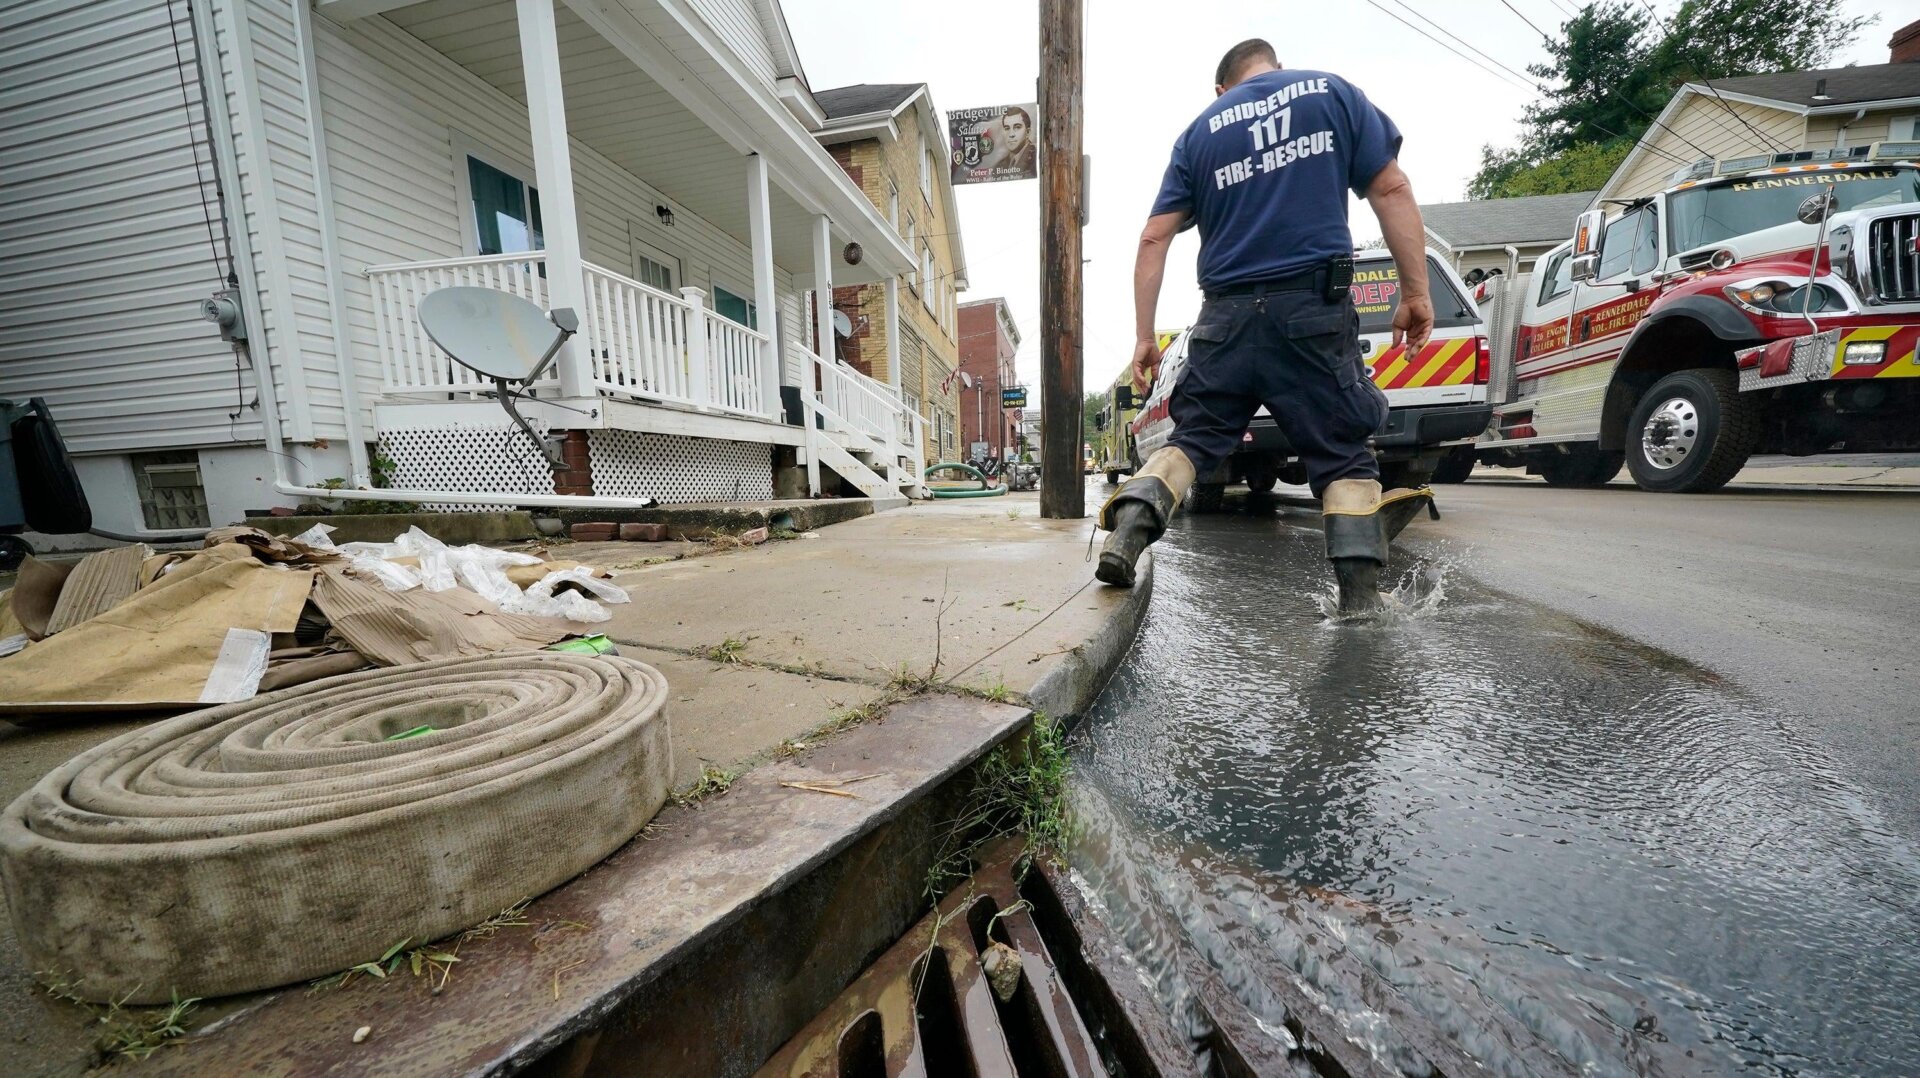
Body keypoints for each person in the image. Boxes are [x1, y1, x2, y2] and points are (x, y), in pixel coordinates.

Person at [1095, 39, 1436, 614]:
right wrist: (1416, 291)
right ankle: (1359, 602)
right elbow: (1392, 188)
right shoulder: (1333, 94)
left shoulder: (1200, 132)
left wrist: (1145, 336)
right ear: (1275, 67)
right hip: (1310, 312)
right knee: (1341, 453)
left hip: (1223, 320)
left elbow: (1154, 237)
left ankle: (1129, 530)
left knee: (1195, 440)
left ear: (1222, 89)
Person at [995, 107, 1036, 176]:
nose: (1011, 134)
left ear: (1028, 132)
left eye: (1017, 127)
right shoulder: (999, 166)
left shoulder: (1036, 159)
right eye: (1007, 128)